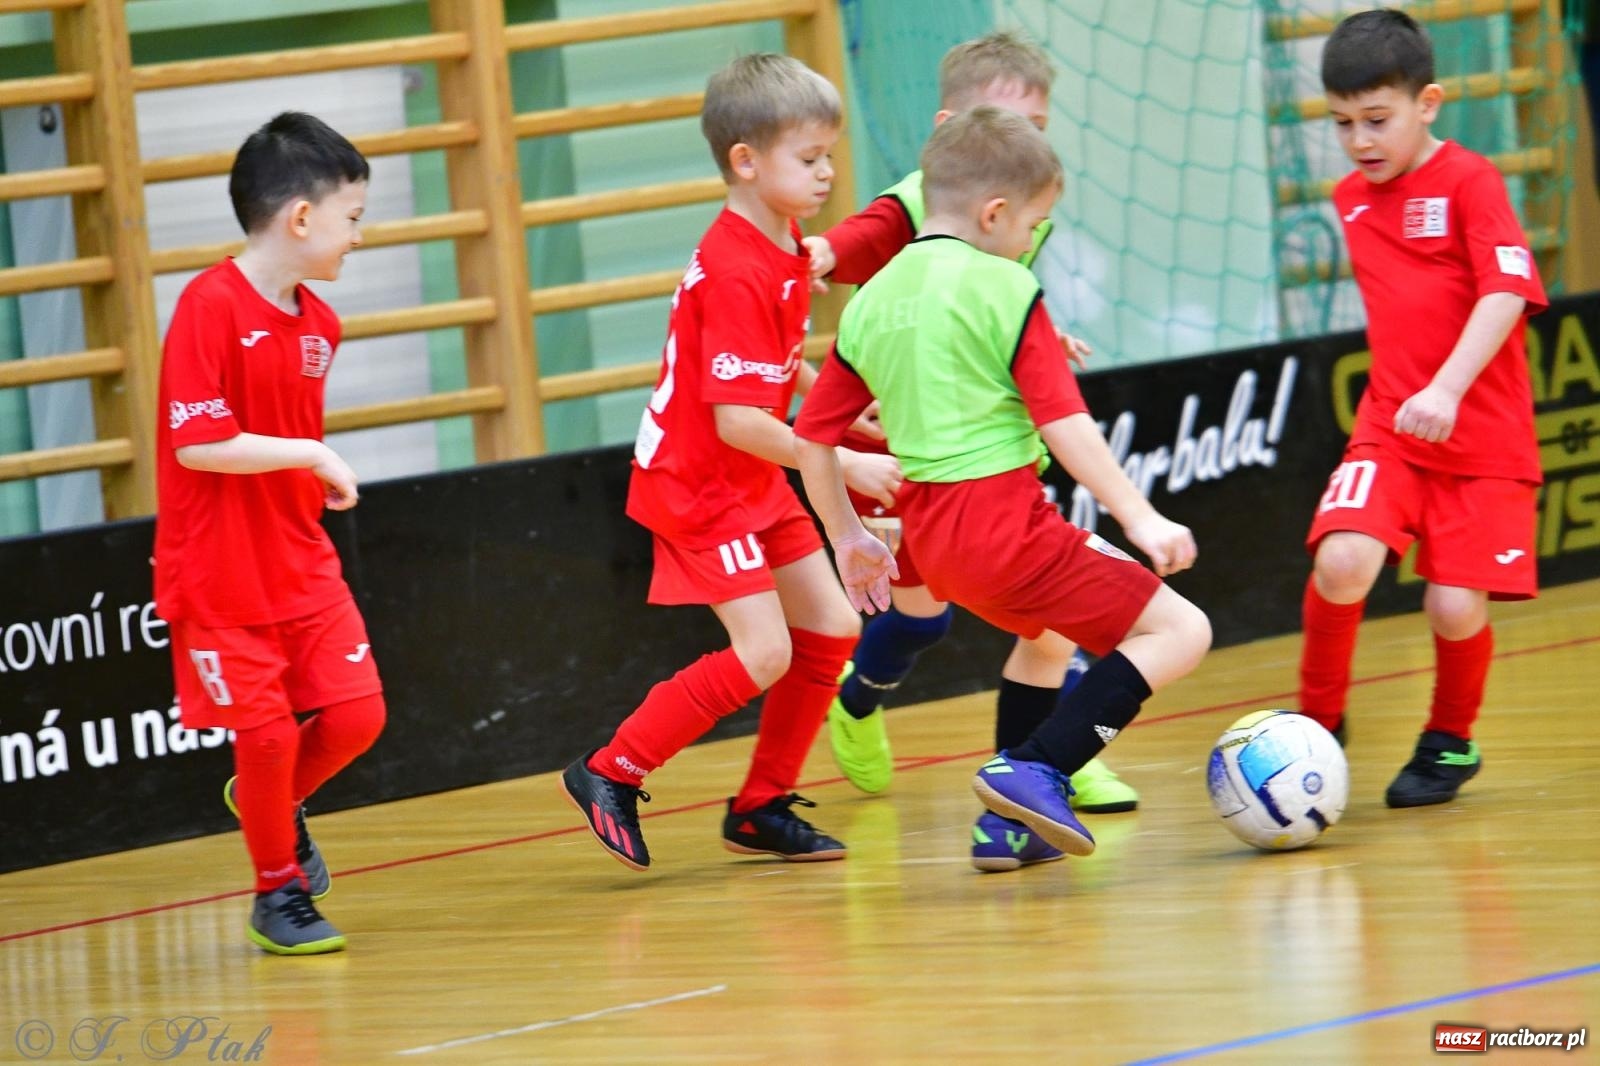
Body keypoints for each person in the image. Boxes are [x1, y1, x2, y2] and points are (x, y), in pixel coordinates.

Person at [793, 106, 1212, 865]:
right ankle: (1039, 768)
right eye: (1032, 224)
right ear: (994, 213)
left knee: (1046, 642)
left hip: (935, 544)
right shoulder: (1005, 288)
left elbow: (813, 437)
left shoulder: (872, 301)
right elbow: (1065, 424)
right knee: (1183, 631)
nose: (1029, 242)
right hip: (1005, 527)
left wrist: (847, 536)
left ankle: (1007, 828)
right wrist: (1140, 516)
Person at [558, 54, 902, 871]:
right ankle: (610, 770)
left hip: (747, 476)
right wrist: (841, 462)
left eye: (828, 156)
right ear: (745, 161)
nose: (826, 174)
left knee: (833, 625)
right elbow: (740, 418)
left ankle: (758, 807)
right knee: (765, 653)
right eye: (809, 158)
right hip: (700, 484)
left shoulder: (781, 241)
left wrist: (838, 407)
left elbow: (774, 366)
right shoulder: (741, 267)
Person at [1297, 10, 1547, 807]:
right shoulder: (1349, 198)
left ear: (1428, 103)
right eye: (1342, 124)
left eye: (1378, 120)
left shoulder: (1472, 180)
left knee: (1451, 603)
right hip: (1392, 426)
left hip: (1483, 434)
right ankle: (1315, 725)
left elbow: (1507, 286)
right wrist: (1415, 395)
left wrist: (1448, 387)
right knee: (1341, 562)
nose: (1360, 141)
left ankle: (1449, 740)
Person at [154, 112, 386, 954]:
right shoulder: (207, 306)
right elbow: (200, 441)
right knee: (266, 734)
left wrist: (307, 471)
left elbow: (279, 435)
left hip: (300, 560)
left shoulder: (320, 326)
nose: (358, 235)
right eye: (352, 217)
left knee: (358, 717)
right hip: (218, 574)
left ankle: (270, 799)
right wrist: (315, 452)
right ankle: (276, 893)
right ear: (300, 218)